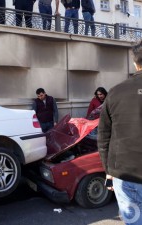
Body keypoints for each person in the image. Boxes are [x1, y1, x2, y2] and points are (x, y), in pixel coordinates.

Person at [98, 40, 142, 225]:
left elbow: (104, 136)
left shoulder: (115, 92)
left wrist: (108, 171)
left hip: (125, 174)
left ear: (134, 63)